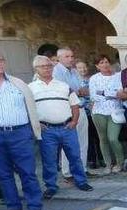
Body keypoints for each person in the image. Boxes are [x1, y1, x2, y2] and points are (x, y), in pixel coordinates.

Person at [29, 55, 93, 198]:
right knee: (49, 160)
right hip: (47, 130)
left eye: (49, 66)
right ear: (36, 69)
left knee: (75, 156)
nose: (47, 68)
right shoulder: (30, 88)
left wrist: (74, 122)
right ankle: (51, 186)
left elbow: (75, 104)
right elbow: (28, 109)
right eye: (43, 66)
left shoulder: (63, 85)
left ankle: (81, 181)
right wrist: (37, 124)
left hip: (66, 128)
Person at [0, 49, 43, 210]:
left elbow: (31, 107)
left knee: (27, 172)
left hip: (20, 133)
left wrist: (34, 130)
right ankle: (13, 207)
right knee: (3, 174)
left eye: (1, 60)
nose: (0, 64)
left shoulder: (18, 84)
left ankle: (34, 207)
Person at [54, 47, 90, 181]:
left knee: (83, 141)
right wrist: (77, 91)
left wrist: (77, 90)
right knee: (68, 143)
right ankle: (68, 172)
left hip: (80, 108)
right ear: (59, 58)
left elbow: (82, 89)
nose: (70, 59)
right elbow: (65, 90)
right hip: (67, 110)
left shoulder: (74, 71)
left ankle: (82, 169)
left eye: (71, 56)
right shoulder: (56, 71)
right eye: (67, 57)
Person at [88, 54, 124, 174]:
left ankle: (120, 162)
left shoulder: (118, 76)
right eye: (101, 62)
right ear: (97, 66)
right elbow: (93, 95)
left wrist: (104, 93)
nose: (105, 64)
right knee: (103, 138)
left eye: (106, 61)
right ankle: (108, 164)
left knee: (113, 138)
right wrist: (110, 94)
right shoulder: (94, 78)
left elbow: (120, 93)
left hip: (115, 111)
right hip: (98, 112)